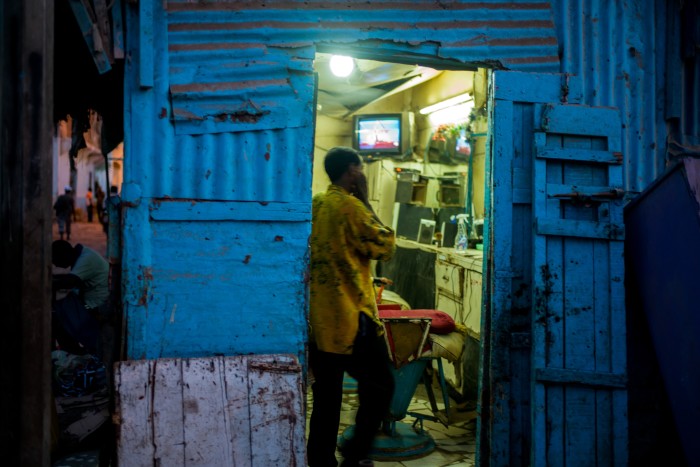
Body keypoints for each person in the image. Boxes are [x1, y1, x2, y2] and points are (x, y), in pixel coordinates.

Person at [307, 147, 396, 467]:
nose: (362, 173)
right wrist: (367, 201)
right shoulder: (351, 207)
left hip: (319, 321)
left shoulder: (315, 204)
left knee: (327, 398)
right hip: (351, 319)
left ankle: (319, 461)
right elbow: (384, 246)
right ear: (351, 171)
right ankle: (356, 455)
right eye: (359, 168)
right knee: (381, 386)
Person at [52, 240, 109, 356]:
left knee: (57, 316)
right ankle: (73, 351)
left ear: (65, 254)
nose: (55, 264)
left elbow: (69, 282)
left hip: (95, 305)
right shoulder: (83, 255)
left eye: (55, 259)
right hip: (90, 302)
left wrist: (44, 282)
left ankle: (74, 353)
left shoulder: (86, 259)